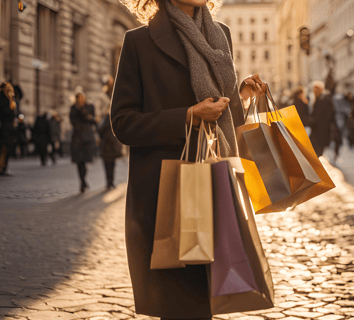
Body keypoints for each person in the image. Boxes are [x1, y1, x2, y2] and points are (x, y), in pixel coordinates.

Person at [111, 0, 267, 318]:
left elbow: (225, 111)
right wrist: (187, 116)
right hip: (168, 194)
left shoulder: (220, 34)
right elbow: (123, 122)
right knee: (180, 304)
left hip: (215, 185)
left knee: (205, 302)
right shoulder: (138, 41)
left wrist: (243, 94)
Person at [70, 91, 96, 193]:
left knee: (85, 161)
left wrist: (81, 109)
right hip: (77, 138)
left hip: (87, 138)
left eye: (81, 97)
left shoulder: (90, 106)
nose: (80, 99)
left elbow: (92, 119)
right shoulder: (73, 108)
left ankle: (83, 181)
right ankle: (82, 182)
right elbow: (72, 120)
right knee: (79, 161)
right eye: (78, 98)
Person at [0, 82, 18, 176]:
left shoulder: (11, 98)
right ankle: (1, 168)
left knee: (8, 148)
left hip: (9, 127)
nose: (9, 88)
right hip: (2, 127)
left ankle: (4, 168)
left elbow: (20, 96)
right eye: (7, 87)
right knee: (1, 148)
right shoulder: (0, 98)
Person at [309, 80, 337, 157]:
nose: (315, 90)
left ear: (321, 89)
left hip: (321, 132)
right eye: (314, 88)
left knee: (317, 153)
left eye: (317, 88)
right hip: (318, 131)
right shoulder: (318, 99)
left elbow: (325, 118)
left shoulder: (324, 100)